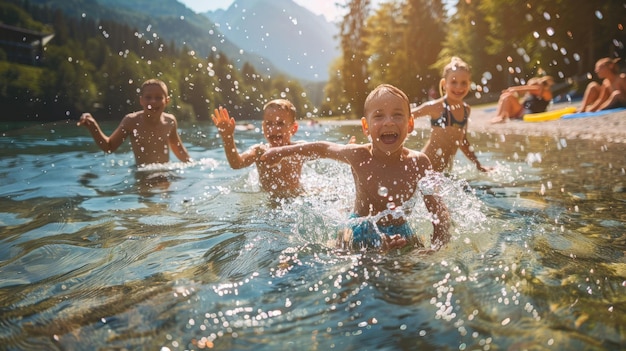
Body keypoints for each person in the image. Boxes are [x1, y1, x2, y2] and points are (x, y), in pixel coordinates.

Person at [261, 84, 451, 252]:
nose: (388, 122)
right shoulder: (358, 155)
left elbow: (439, 214)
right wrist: (283, 152)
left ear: (410, 124)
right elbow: (323, 148)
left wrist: (435, 249)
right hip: (361, 230)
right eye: (379, 116)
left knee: (414, 262)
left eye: (397, 114)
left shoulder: (419, 163)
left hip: (401, 230)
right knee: (347, 258)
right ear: (365, 126)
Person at [77, 78, 191, 166]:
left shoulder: (170, 121)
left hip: (165, 172)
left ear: (166, 101)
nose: (153, 101)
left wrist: (192, 164)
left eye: (158, 98)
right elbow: (109, 147)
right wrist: (93, 127)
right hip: (143, 174)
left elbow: (179, 150)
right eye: (148, 97)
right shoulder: (131, 121)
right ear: (141, 100)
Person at [212, 99, 305, 199]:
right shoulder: (259, 151)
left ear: (294, 128)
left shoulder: (298, 149)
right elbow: (236, 163)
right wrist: (228, 137)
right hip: (270, 201)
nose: (273, 128)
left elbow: (321, 151)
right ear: (263, 127)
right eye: (269, 123)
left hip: (297, 198)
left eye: (280, 123)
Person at [411, 56, 490, 173]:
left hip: (445, 172)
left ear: (469, 84)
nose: (459, 87)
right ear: (444, 83)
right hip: (425, 169)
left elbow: (462, 141)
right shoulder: (436, 107)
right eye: (453, 82)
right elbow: (407, 116)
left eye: (464, 83)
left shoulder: (466, 110)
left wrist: (478, 165)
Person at [490, 75, 554, 123]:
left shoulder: (547, 93)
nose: (542, 85)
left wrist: (513, 89)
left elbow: (529, 89)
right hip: (522, 112)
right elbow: (528, 89)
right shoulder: (533, 94)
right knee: (504, 96)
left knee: (509, 96)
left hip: (528, 113)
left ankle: (501, 117)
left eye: (545, 83)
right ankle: (498, 116)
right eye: (542, 82)